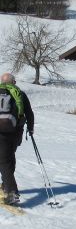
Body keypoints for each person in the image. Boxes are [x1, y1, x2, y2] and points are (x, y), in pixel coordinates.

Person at [0, 73, 34, 205]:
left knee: (3, 162)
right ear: (13, 82)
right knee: (8, 157)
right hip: (15, 132)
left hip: (1, 133)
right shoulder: (20, 94)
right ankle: (6, 185)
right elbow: (29, 113)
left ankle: (12, 193)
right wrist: (30, 129)